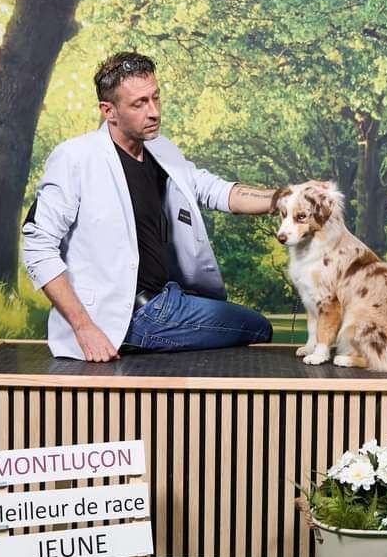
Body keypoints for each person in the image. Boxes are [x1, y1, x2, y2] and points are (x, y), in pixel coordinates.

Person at [23, 51, 276, 361]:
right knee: (257, 327)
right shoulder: (75, 157)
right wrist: (84, 328)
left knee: (246, 326)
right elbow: (38, 248)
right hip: (131, 316)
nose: (154, 111)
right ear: (109, 111)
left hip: (166, 298)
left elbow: (215, 191)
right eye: (139, 103)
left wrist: (285, 199)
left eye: (156, 98)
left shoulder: (161, 149)